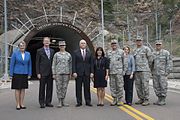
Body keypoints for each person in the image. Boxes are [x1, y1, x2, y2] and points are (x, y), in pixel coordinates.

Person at [10, 41, 32, 110]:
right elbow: (12, 64)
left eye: (23, 46)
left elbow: (29, 64)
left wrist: (29, 73)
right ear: (19, 47)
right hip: (17, 73)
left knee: (23, 89)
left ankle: (22, 103)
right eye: (21, 46)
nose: (22, 47)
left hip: (25, 73)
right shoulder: (15, 54)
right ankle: (17, 104)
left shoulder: (28, 54)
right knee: (17, 89)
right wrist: (11, 74)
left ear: (25, 47)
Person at [72, 39, 94, 107]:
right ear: (79, 44)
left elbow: (91, 63)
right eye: (81, 43)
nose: (83, 44)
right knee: (78, 88)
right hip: (78, 73)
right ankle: (79, 102)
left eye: (84, 43)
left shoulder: (89, 53)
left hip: (87, 73)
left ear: (86, 44)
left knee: (87, 88)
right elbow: (73, 63)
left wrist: (92, 72)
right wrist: (74, 72)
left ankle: (88, 101)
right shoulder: (75, 52)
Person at [133, 36, 153, 106]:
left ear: (142, 41)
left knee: (145, 85)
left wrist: (148, 67)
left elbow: (150, 59)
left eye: (140, 40)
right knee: (138, 85)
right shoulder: (134, 50)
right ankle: (141, 98)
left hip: (144, 70)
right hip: (137, 70)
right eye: (137, 41)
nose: (139, 42)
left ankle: (146, 99)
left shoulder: (146, 49)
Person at [152, 40, 173, 106]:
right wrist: (151, 71)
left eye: (159, 44)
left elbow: (169, 63)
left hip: (162, 73)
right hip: (155, 73)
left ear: (161, 45)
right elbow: (151, 63)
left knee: (163, 86)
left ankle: (163, 99)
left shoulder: (166, 53)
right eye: (157, 44)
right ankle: (159, 98)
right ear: (155, 45)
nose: (158, 46)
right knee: (156, 86)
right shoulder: (153, 53)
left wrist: (167, 72)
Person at [36, 37, 55, 108]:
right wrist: (38, 73)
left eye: (48, 41)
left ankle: (48, 102)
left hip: (51, 72)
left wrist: (54, 73)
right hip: (42, 72)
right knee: (42, 88)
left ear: (50, 42)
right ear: (43, 42)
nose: (47, 42)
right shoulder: (39, 51)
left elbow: (54, 62)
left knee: (50, 88)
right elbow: (37, 62)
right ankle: (41, 102)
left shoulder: (52, 51)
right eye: (45, 41)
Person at [52, 41, 72, 108]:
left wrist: (70, 73)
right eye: (61, 46)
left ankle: (63, 100)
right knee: (59, 87)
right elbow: (53, 64)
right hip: (58, 73)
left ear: (65, 46)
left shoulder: (68, 55)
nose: (62, 47)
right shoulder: (56, 55)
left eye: (63, 45)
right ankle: (59, 101)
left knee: (65, 87)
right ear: (59, 46)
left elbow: (70, 64)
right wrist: (54, 73)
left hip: (66, 73)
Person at [106, 39, 124, 106]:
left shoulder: (121, 52)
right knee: (112, 86)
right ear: (111, 45)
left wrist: (124, 71)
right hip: (111, 72)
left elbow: (124, 62)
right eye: (112, 44)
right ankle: (114, 99)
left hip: (119, 72)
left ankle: (119, 99)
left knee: (119, 86)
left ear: (117, 44)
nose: (114, 45)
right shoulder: (108, 52)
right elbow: (107, 63)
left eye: (115, 43)